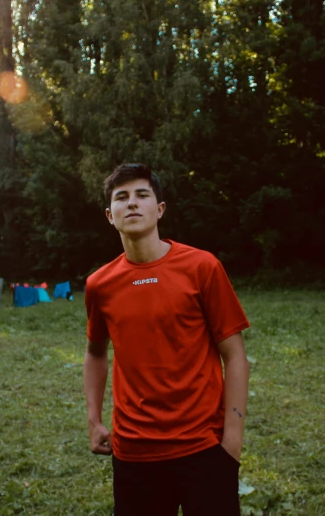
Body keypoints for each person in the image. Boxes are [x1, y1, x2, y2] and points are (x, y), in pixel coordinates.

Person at [83, 163, 251, 516]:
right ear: (109, 216)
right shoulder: (99, 284)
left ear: (159, 209)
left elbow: (235, 356)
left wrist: (231, 441)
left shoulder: (202, 267)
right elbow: (95, 352)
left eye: (142, 195)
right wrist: (94, 419)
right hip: (133, 453)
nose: (132, 203)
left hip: (204, 449)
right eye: (121, 197)